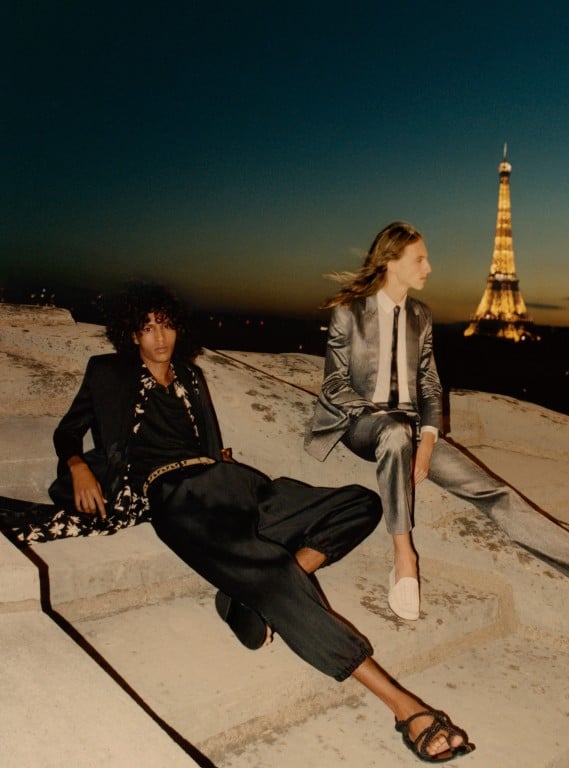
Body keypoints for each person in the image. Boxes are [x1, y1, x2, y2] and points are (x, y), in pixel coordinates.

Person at [0, 281, 473, 763]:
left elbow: (208, 443)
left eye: (165, 324)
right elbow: (68, 431)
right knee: (269, 571)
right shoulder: (107, 373)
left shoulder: (189, 375)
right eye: (146, 328)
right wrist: (78, 465)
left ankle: (247, 592)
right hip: (176, 496)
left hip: (231, 482)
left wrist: (220, 461)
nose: (158, 337)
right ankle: (402, 705)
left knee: (360, 503)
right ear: (132, 335)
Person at [305, 221, 569, 620]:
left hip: (413, 428)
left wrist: (429, 440)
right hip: (363, 425)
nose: (429, 267)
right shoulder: (349, 311)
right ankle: (404, 559)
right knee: (393, 431)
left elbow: (430, 383)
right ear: (390, 261)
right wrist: (390, 424)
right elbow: (334, 385)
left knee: (493, 491)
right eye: (420, 259)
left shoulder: (420, 314)